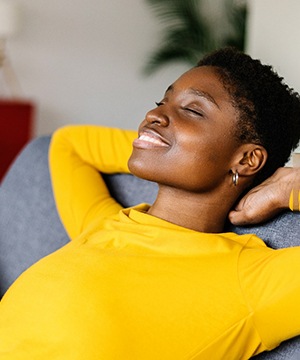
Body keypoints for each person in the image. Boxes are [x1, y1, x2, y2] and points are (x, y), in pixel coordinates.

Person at [0, 47, 300, 359]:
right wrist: (155, 144)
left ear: (247, 159)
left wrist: (287, 188)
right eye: (162, 102)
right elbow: (69, 145)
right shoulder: (102, 225)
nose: (153, 115)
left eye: (193, 111)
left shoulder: (250, 283)